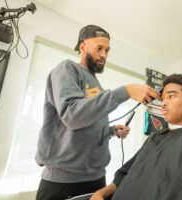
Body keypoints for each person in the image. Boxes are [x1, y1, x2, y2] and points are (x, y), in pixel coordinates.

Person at [35, 25, 159, 200]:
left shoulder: (97, 85)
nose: (104, 55)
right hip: (63, 182)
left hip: (96, 179)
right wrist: (126, 91)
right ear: (83, 46)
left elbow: (89, 123)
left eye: (107, 50)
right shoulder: (66, 69)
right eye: (99, 48)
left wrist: (111, 131)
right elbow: (72, 116)